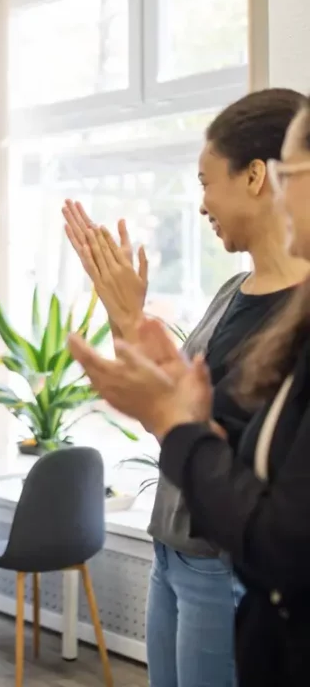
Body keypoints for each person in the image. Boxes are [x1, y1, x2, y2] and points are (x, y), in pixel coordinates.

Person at [62, 88, 310, 687]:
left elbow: (216, 433)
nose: (200, 204)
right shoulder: (231, 292)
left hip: (227, 561)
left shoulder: (298, 313)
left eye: (205, 181)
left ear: (257, 176)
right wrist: (126, 317)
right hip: (173, 544)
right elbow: (176, 416)